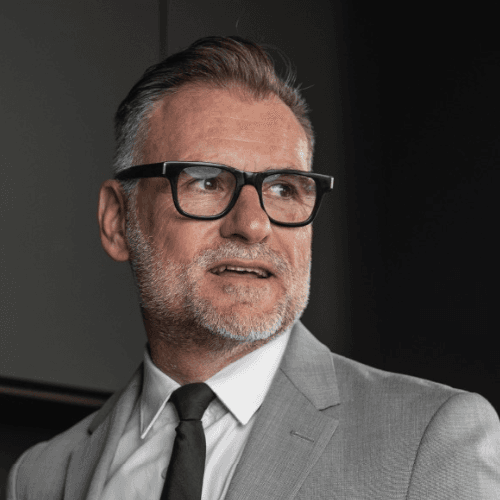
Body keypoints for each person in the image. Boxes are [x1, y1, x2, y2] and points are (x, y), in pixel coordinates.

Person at [6, 35, 500, 500]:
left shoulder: (430, 440)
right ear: (117, 221)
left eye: (283, 189)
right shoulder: (41, 476)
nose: (253, 224)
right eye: (206, 182)